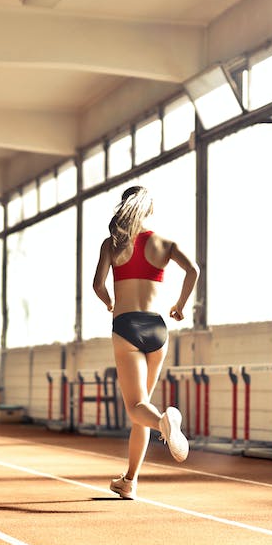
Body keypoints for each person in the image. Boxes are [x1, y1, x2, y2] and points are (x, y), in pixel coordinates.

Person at [91, 185, 198, 499]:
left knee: (138, 407)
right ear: (149, 211)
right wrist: (180, 305)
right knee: (142, 408)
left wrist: (110, 301)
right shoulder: (165, 243)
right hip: (156, 328)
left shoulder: (112, 245)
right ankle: (129, 480)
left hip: (127, 325)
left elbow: (97, 284)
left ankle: (165, 422)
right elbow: (193, 270)